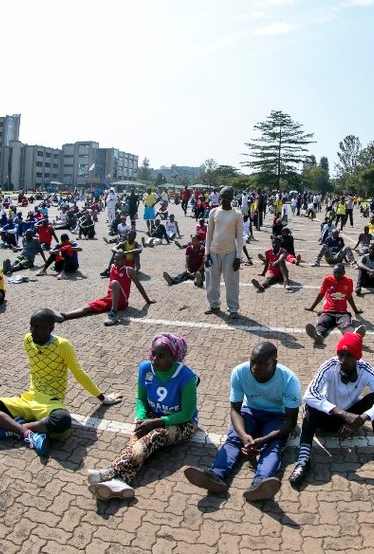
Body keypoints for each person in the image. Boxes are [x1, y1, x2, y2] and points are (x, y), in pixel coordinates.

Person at [0, 308, 117, 457]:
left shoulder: (63, 345)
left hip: (50, 402)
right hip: (28, 399)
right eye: (31, 326)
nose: (33, 331)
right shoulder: (28, 340)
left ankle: (14, 427)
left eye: (38, 327)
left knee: (62, 421)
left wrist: (102, 398)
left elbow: (79, 374)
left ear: (51, 328)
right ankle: (28, 432)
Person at [184, 342, 300, 502]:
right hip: (249, 411)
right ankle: (216, 474)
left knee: (273, 446)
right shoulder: (239, 372)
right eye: (252, 361)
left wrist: (263, 440)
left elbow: (290, 422)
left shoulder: (289, 380)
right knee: (233, 439)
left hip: (277, 416)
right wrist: (244, 435)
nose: (254, 368)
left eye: (262, 364)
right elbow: (235, 410)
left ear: (275, 363)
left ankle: (260, 483)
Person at [86, 333, 195, 499]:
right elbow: (141, 399)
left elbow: (186, 414)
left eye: (161, 355)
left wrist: (155, 422)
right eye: (153, 353)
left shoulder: (186, 377)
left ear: (174, 358)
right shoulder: (145, 369)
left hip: (182, 423)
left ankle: (110, 471)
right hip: (152, 416)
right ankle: (121, 481)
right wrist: (140, 418)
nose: (154, 359)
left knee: (155, 435)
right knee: (138, 442)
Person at [289, 333, 374, 487]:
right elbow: (310, 394)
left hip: (351, 418)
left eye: (349, 355)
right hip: (327, 416)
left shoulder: (366, 369)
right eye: (340, 354)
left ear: (357, 357)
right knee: (310, 407)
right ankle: (303, 460)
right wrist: (343, 414)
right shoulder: (329, 366)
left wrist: (361, 419)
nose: (343, 360)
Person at [55, 251, 154, 326]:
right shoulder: (112, 267)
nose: (115, 261)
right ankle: (63, 315)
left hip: (122, 301)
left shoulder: (129, 270)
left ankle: (114, 313)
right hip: (109, 299)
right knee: (87, 308)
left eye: (118, 259)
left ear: (124, 260)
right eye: (114, 259)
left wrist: (148, 300)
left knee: (114, 283)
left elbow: (138, 285)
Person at [204, 186, 243, 318]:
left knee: (231, 282)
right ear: (220, 197)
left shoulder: (237, 214)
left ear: (232, 198)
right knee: (212, 281)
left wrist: (238, 257)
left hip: (230, 253)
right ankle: (214, 305)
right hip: (214, 251)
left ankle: (233, 309)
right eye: (223, 197)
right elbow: (209, 235)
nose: (225, 200)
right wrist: (206, 253)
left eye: (228, 197)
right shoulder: (213, 212)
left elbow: (240, 237)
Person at [304, 263, 365, 346]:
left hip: (342, 313)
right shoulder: (327, 279)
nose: (337, 275)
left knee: (346, 325)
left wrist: (355, 310)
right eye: (335, 272)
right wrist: (312, 307)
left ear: (344, 272)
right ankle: (317, 335)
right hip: (328, 311)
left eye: (339, 273)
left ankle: (353, 336)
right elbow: (321, 294)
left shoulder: (349, 281)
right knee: (322, 323)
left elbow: (349, 297)